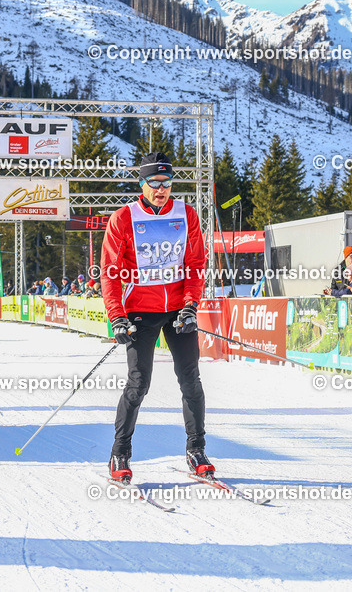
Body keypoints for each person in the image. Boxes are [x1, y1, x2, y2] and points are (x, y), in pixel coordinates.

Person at [101, 152, 211, 483]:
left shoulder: (186, 214)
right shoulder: (123, 218)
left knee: (190, 379)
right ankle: (120, 452)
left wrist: (191, 305)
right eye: (154, 183)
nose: (161, 189)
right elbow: (109, 272)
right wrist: (117, 316)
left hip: (178, 310)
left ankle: (196, 449)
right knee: (138, 383)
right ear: (142, 184)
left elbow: (195, 264)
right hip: (140, 312)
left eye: (167, 182)